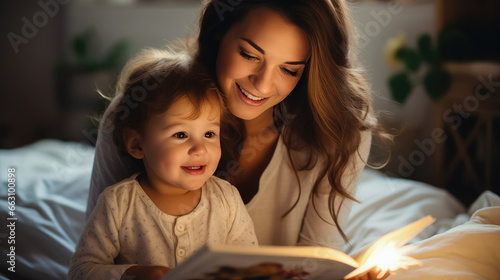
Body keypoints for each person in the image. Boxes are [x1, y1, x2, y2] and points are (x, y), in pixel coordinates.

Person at [87, 0, 391, 279]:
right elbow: (93, 258)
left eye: (289, 69)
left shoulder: (342, 132)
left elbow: (317, 261)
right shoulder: (141, 111)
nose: (262, 84)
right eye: (249, 54)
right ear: (219, 33)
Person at [69, 47, 258, 280]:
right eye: (180, 135)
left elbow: (250, 266)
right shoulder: (118, 204)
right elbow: (81, 270)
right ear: (138, 145)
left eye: (209, 134)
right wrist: (134, 274)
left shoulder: (227, 200)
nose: (199, 149)